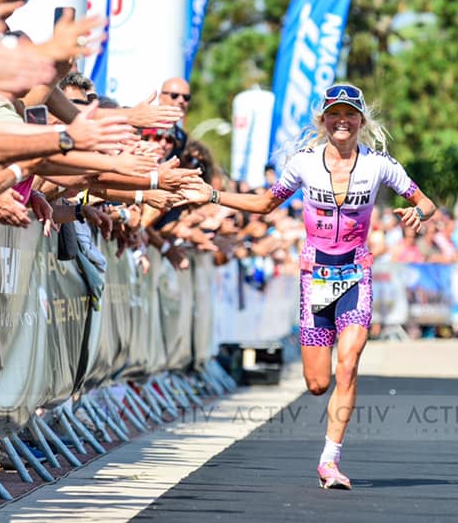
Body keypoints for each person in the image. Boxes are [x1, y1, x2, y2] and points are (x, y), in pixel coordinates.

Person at [184, 83, 437, 489]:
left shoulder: (379, 165)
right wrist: (214, 195)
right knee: (317, 384)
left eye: (350, 114)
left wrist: (417, 214)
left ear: (360, 121)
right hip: (315, 275)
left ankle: (330, 460)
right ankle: (327, 436)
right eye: (334, 114)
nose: (342, 121)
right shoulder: (304, 163)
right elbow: (266, 204)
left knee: (349, 363)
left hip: (356, 271)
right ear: (323, 120)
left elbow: (426, 202)